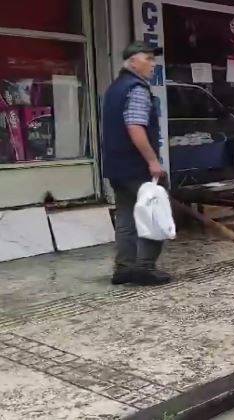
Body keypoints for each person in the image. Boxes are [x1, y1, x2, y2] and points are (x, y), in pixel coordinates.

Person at [102, 41, 171, 286]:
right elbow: (135, 127)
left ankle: (124, 268)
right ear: (133, 62)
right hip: (136, 166)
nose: (153, 64)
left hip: (116, 166)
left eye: (154, 59)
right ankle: (144, 268)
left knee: (126, 217)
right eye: (148, 59)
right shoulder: (137, 89)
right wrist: (153, 161)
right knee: (155, 214)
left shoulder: (115, 88)